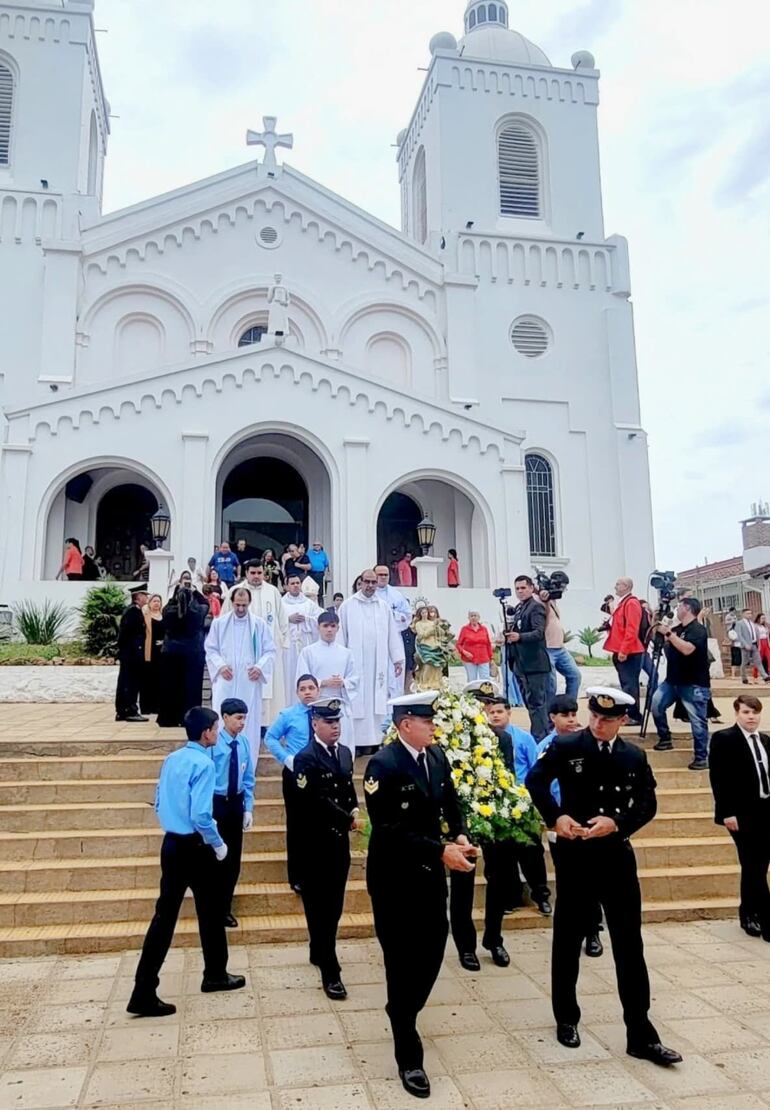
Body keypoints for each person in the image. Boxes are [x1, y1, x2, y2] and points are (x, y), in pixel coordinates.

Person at [525, 687, 682, 1067]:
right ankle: (566, 1017)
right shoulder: (567, 746)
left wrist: (618, 824)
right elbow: (535, 782)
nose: (598, 723)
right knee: (567, 939)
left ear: (622, 720)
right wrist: (556, 817)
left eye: (607, 719)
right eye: (594, 716)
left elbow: (649, 803)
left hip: (615, 855)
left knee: (630, 944)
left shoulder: (633, 755)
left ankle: (640, 1032)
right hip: (576, 854)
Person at [365, 691, 477, 1099]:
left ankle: (402, 1010)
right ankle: (408, 1055)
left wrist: (459, 833)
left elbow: (449, 801)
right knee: (400, 960)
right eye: (425, 720)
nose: (433, 725)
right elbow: (389, 829)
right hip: (394, 880)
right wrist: (439, 849)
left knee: (432, 951)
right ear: (404, 724)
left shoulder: (436, 757)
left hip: (429, 875)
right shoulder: (383, 765)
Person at [127, 707, 245, 1017]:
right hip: (196, 845)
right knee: (210, 909)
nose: (217, 734)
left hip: (172, 844)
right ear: (206, 732)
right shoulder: (204, 764)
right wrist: (218, 844)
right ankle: (215, 973)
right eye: (216, 729)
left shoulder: (172, 759)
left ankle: (144, 986)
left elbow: (159, 799)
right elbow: (202, 815)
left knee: (165, 917)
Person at [292, 696, 363, 999]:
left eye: (337, 722)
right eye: (328, 722)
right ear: (315, 724)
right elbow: (315, 800)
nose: (335, 728)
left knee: (333, 904)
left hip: (338, 843)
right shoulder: (305, 758)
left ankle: (319, 948)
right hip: (313, 842)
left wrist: (356, 811)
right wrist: (348, 818)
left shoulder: (345, 753)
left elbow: (347, 789)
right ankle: (330, 969)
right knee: (318, 904)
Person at [538, 695, 604, 957]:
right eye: (565, 715)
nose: (572, 720)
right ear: (553, 718)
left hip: (590, 823)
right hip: (562, 825)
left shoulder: (587, 743)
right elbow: (540, 785)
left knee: (594, 880)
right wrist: (553, 818)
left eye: (574, 714)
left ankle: (593, 931)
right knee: (569, 882)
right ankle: (572, 932)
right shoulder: (546, 746)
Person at [480, 685, 550, 916]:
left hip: (522, 801)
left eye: (500, 711)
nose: (496, 715)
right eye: (491, 712)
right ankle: (509, 898)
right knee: (503, 855)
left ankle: (541, 895)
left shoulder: (523, 738)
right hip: (495, 805)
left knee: (531, 851)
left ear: (509, 712)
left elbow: (534, 769)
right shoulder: (482, 739)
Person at [709, 695, 770, 939]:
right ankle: (767, 918)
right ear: (737, 713)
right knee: (753, 863)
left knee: (756, 866)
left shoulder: (765, 740)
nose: (751, 717)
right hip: (740, 813)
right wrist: (726, 812)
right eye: (746, 712)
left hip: (765, 810)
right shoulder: (724, 739)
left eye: (755, 712)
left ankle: (748, 913)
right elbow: (719, 778)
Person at [205, 587, 276, 767]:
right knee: (223, 719)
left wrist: (259, 667)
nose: (241, 609)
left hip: (249, 682)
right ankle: (221, 762)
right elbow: (211, 648)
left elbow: (270, 651)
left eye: (244, 605)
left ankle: (247, 763)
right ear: (231, 602)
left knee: (248, 721)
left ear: (249, 603)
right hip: (226, 680)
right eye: (238, 605)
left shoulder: (259, 625)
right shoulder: (219, 624)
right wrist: (220, 665)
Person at [339, 570, 405, 754]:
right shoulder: (347, 606)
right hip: (355, 665)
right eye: (366, 582)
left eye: (373, 582)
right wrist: (341, 662)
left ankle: (376, 741)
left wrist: (397, 659)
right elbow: (341, 636)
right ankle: (357, 743)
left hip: (378, 664)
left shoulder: (383, 606)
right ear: (360, 582)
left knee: (378, 700)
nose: (370, 586)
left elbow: (392, 634)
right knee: (357, 700)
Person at [265, 674, 320, 892]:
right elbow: (270, 737)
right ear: (297, 693)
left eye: (311, 688)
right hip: (296, 774)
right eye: (302, 689)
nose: (307, 692)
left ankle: (316, 871)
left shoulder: (325, 713)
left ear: (317, 690)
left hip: (319, 774)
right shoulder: (288, 714)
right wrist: (287, 758)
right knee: (297, 826)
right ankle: (297, 876)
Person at [222, 560, 288, 724]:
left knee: (270, 690)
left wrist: (280, 643)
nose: (256, 576)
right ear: (246, 573)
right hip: (242, 652)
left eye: (259, 573)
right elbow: (224, 621)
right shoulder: (236, 592)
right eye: (253, 573)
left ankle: (268, 725)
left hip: (267, 651)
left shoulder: (272, 592)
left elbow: (282, 621)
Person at [650, 596, 711, 770]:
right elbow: (659, 640)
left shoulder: (698, 630)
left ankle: (701, 757)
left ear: (687, 608)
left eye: (679, 606)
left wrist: (668, 634)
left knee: (697, 720)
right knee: (656, 705)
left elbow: (687, 649)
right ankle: (665, 737)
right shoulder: (677, 628)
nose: (677, 608)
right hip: (672, 681)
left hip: (694, 683)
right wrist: (656, 622)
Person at [211, 698, 255, 930]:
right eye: (238, 718)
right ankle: (213, 907)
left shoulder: (244, 743)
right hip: (216, 802)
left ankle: (225, 906)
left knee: (233, 860)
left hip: (235, 803)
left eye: (244, 718)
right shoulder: (214, 743)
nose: (242, 723)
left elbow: (248, 778)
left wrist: (248, 807)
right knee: (215, 858)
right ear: (225, 718)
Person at [296, 611, 360, 756]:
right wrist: (323, 682)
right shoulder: (308, 652)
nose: (329, 630)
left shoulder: (346, 653)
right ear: (318, 627)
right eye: (325, 626)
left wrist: (343, 682)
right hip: (317, 705)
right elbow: (302, 679)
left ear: (338, 628)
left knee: (344, 746)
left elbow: (355, 679)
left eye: (333, 626)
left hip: (340, 703)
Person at [156, 576, 209, 728]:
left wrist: (176, 593)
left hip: (171, 652)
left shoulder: (169, 611)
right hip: (192, 653)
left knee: (170, 686)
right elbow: (206, 603)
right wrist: (196, 591)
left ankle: (168, 718)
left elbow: (165, 612)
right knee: (191, 687)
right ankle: (189, 718)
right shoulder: (197, 612)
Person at [505, 575, 552, 740]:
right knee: (530, 704)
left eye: (523, 588)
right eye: (517, 588)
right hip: (520, 663)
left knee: (538, 704)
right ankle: (539, 735)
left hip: (535, 665)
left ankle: (540, 737)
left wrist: (520, 637)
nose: (520, 591)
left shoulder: (536, 607)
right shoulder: (519, 608)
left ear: (532, 588)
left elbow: (539, 633)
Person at [603, 578, 645, 725]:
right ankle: (629, 713)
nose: (615, 586)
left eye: (618, 584)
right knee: (626, 683)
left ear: (626, 587)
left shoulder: (632, 603)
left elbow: (632, 629)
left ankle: (633, 715)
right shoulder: (623, 602)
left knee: (630, 685)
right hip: (622, 649)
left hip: (630, 651)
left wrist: (624, 650)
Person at [281, 573, 322, 703]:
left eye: (298, 583)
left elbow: (319, 620)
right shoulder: (281, 604)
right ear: (286, 586)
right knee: (288, 676)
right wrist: (288, 620)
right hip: (288, 648)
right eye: (292, 583)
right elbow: (275, 623)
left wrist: (306, 619)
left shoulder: (309, 604)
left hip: (305, 643)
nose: (295, 586)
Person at [374, 564, 412, 698]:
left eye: (386, 575)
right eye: (380, 574)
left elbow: (407, 617)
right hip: (374, 640)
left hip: (394, 639)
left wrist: (391, 617)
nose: (383, 577)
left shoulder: (397, 595)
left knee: (396, 676)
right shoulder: (368, 596)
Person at [115, 584, 150, 723]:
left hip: (130, 653)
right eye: (144, 595)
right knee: (130, 683)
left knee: (125, 682)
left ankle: (123, 711)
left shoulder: (134, 611)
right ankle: (130, 710)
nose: (146, 598)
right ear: (138, 597)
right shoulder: (133, 612)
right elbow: (126, 635)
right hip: (132, 654)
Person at [540, 588, 581, 702]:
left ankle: (569, 706)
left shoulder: (553, 601)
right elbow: (544, 619)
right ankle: (551, 714)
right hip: (547, 648)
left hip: (560, 648)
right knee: (550, 684)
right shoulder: (539, 600)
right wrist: (545, 600)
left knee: (575, 675)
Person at [412, 606, 453, 690]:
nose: (425, 614)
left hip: (434, 646)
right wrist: (431, 630)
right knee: (428, 664)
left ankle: (435, 682)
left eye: (426, 612)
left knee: (436, 665)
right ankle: (425, 682)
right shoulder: (418, 624)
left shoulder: (432, 623)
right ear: (420, 614)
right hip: (425, 646)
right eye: (423, 613)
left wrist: (442, 627)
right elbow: (421, 635)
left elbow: (439, 634)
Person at [139, 594, 165, 716]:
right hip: (150, 650)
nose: (156, 603)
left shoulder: (163, 616)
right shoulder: (146, 616)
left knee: (159, 680)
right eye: (154, 601)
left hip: (162, 652)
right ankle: (146, 707)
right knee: (147, 680)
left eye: (158, 601)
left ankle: (157, 706)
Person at [456, 610, 494, 682]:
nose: (473, 618)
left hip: (483, 657)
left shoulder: (484, 629)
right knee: (472, 680)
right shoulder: (464, 629)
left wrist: (491, 658)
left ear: (479, 617)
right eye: (471, 616)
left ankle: (485, 693)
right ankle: (472, 693)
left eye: (475, 616)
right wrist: (464, 652)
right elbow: (458, 644)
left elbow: (488, 644)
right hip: (469, 659)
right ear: (468, 618)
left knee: (485, 679)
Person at [736, 608, 770, 685]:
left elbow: (756, 633)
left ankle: (765, 677)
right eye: (747, 613)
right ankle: (744, 678)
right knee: (744, 662)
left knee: (758, 661)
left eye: (750, 613)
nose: (749, 615)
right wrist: (745, 644)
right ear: (743, 614)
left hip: (754, 644)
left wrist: (758, 643)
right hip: (746, 646)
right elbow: (739, 635)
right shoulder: (739, 623)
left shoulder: (752, 623)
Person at [306, 540, 330, 605]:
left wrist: (325, 573)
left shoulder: (323, 553)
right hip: (311, 574)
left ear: (321, 546)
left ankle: (320, 606)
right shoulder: (309, 553)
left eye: (318, 545)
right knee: (311, 591)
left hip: (320, 574)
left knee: (320, 592)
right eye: (314, 545)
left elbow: (326, 564)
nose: (316, 546)